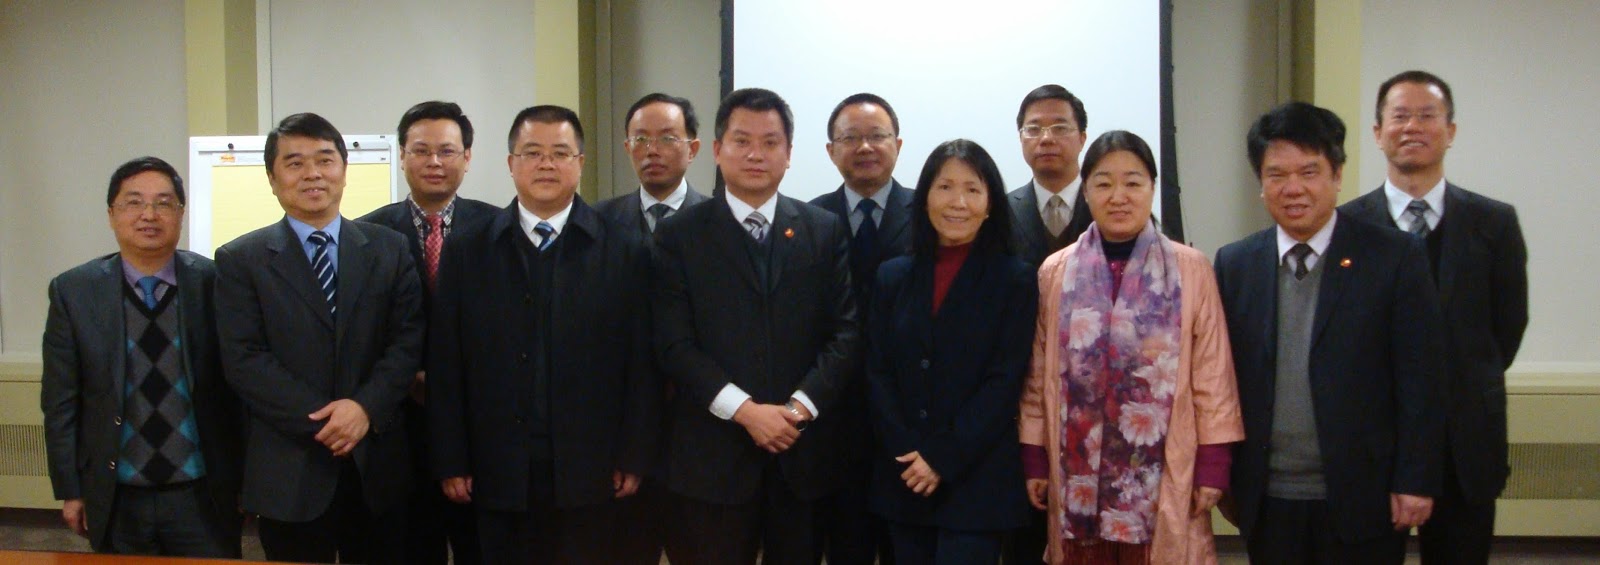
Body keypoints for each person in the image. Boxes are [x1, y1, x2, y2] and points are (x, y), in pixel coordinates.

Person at [427, 105, 660, 564]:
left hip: (591, 467)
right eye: (532, 153)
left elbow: (641, 364)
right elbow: (446, 363)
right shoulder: (469, 249)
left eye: (560, 153)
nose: (546, 164)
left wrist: (634, 455)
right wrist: (451, 459)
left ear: (581, 162)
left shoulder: (623, 249)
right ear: (511, 163)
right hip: (496, 465)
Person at [1214, 102, 1446, 563]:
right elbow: (1221, 380)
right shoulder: (1235, 263)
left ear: (1337, 175)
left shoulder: (1394, 257)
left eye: (1309, 172)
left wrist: (1415, 478)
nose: (1293, 188)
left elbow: (1422, 378)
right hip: (1268, 495)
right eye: (1276, 174)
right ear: (1261, 183)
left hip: (1365, 493)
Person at [652, 87, 860, 565]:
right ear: (717, 149)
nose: (755, 154)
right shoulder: (680, 234)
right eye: (742, 141)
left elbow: (846, 334)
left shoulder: (822, 229)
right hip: (714, 458)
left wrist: (797, 409)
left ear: (789, 154)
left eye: (770, 142)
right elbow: (674, 344)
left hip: (801, 456)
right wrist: (746, 412)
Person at [1019, 131, 1245, 563]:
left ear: (1152, 188)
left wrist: (1214, 464)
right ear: (1086, 190)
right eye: (1103, 183)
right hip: (1074, 469)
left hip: (1165, 470)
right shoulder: (1056, 272)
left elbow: (1213, 373)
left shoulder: (1191, 269)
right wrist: (1034, 456)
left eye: (1133, 182)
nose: (1118, 196)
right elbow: (1038, 373)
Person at [214, 112, 425, 563]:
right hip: (290, 467)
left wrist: (363, 409)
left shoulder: (389, 248)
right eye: (294, 163)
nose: (312, 173)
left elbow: (406, 342)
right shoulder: (240, 260)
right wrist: (328, 422)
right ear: (272, 179)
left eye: (325, 160)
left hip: (377, 463)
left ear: (344, 171)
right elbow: (245, 360)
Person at [1340, 70, 1528, 564]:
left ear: (1451, 131)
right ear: (1377, 132)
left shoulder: (1495, 223)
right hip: (1373, 444)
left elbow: (1507, 329)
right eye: (1400, 116)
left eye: (1427, 116)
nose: (1412, 127)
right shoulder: (1347, 226)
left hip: (1466, 441)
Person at [41, 156, 244, 557]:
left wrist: (246, 481)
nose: (149, 215)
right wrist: (70, 489)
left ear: (181, 214)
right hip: (117, 494)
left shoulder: (215, 282)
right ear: (111, 214)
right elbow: (60, 400)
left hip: (202, 493)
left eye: (164, 203)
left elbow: (240, 389)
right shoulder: (74, 291)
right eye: (133, 202)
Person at [867, 139, 1035, 564]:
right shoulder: (892, 276)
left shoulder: (1015, 280)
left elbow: (1004, 382)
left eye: (972, 189)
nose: (958, 202)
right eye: (945, 187)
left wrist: (942, 457)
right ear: (924, 197)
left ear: (990, 204)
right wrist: (910, 453)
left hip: (976, 480)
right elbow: (878, 372)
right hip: (905, 475)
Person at [357, 100, 494, 565]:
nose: (434, 162)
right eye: (420, 150)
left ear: (467, 157)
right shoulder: (367, 235)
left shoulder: (499, 228)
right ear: (401, 156)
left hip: (478, 429)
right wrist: (406, 376)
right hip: (398, 427)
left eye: (447, 151)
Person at [808, 92, 914, 565]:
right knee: (845, 546)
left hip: (910, 417)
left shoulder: (930, 214)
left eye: (877, 136)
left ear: (898, 145)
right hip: (833, 420)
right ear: (831, 151)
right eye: (851, 138)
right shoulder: (807, 219)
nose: (865, 147)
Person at [596, 92, 711, 237]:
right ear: (628, 148)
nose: (652, 151)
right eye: (641, 139)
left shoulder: (720, 220)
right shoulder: (599, 219)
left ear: (692, 150)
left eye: (667, 139)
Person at [1008, 84, 1094, 268]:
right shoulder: (1002, 211)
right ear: (1021, 139)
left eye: (1060, 128)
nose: (1046, 139)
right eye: (1033, 129)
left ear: (1082, 139)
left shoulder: (1105, 203)